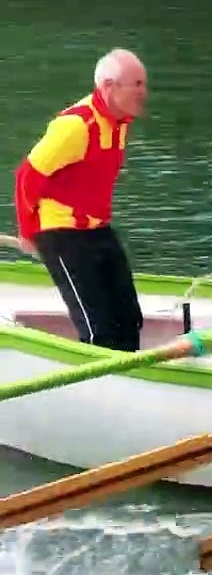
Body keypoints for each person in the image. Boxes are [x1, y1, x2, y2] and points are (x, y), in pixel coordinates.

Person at [12, 48, 148, 351]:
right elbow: (26, 177)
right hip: (60, 232)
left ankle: (131, 369)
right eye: (137, 84)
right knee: (97, 327)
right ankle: (98, 371)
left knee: (129, 318)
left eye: (144, 84)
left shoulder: (120, 122)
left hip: (96, 227)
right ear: (109, 87)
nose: (144, 93)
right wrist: (28, 233)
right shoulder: (76, 126)